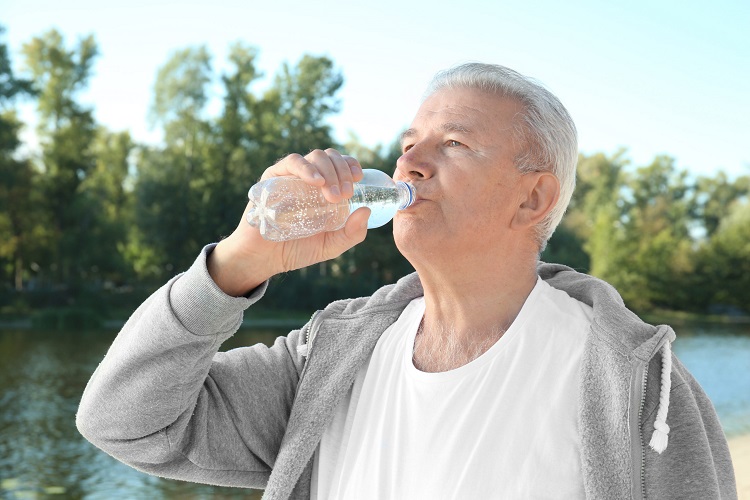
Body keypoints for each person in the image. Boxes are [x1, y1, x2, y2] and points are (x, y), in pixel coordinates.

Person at [77, 63, 737, 499]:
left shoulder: (637, 388)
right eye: (408, 143)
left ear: (533, 200)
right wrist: (239, 262)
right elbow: (123, 423)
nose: (412, 163)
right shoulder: (329, 359)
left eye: (453, 144)